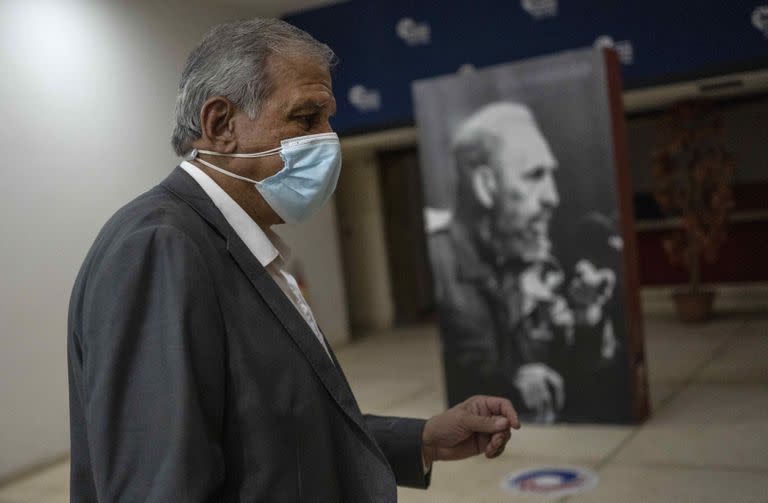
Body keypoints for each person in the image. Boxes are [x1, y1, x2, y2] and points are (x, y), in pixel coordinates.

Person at [67, 19, 520, 502]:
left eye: (328, 119)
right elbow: (160, 484)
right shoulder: (161, 249)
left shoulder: (239, 242)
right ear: (221, 125)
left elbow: (272, 434)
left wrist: (422, 439)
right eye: (306, 119)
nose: (328, 139)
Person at [428, 102, 567, 423]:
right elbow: (467, 366)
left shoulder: (521, 260)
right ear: (486, 184)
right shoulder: (442, 262)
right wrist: (510, 385)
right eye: (535, 175)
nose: (552, 197)